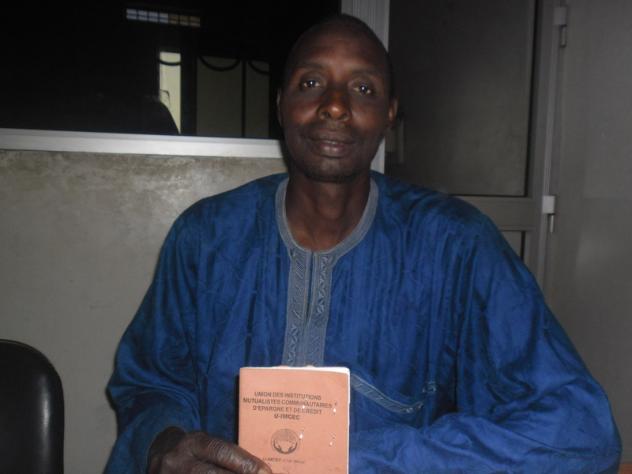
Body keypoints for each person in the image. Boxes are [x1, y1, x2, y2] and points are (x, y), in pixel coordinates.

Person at [105, 14, 621, 474]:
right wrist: (163, 443)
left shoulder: (458, 247)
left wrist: (354, 462)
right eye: (311, 82)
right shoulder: (205, 238)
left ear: (390, 114)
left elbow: (580, 430)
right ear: (281, 103)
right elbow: (149, 382)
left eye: (363, 88)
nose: (334, 105)